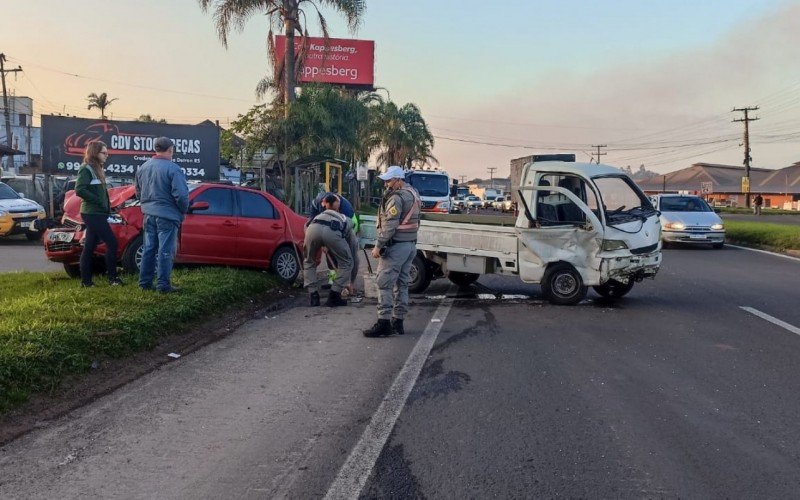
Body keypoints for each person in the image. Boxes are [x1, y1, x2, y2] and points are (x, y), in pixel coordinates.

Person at [363, 166, 421, 338]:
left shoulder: (396, 198)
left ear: (398, 179)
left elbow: (390, 225)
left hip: (396, 247)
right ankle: (398, 321)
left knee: (384, 283)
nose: (386, 184)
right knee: (402, 284)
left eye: (389, 180)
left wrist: (378, 246)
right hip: (410, 245)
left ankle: (383, 322)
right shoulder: (414, 194)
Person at [134, 137, 189, 293]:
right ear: (170, 149)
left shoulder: (143, 167)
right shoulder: (173, 169)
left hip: (148, 214)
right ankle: (163, 285)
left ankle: (144, 283)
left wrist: (147, 205)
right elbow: (182, 196)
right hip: (168, 215)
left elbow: (138, 191)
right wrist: (182, 210)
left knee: (149, 249)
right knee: (165, 251)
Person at [75, 141, 123, 287]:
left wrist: (108, 206)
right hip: (92, 213)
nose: (107, 155)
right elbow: (79, 189)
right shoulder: (86, 169)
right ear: (95, 153)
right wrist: (98, 201)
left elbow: (101, 193)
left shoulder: (98, 168)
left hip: (98, 212)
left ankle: (86, 282)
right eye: (104, 153)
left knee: (89, 247)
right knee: (112, 243)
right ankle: (112, 279)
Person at [303, 194, 356, 307]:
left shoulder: (317, 212)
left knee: (309, 262)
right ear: (338, 207)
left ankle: (314, 296)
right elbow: (347, 234)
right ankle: (334, 295)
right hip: (333, 231)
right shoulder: (344, 216)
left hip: (312, 229)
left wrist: (321, 243)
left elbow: (307, 225)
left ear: (325, 205)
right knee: (347, 263)